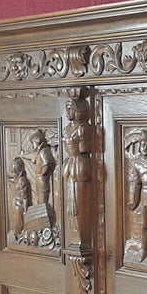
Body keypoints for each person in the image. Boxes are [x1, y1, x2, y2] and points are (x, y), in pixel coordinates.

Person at [125, 129, 147, 260]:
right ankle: (144, 248)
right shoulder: (137, 162)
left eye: (145, 143)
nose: (143, 146)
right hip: (144, 194)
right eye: (141, 144)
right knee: (144, 225)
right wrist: (134, 202)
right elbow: (137, 184)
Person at [62, 97, 92, 240]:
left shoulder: (83, 128)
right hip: (70, 164)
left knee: (80, 201)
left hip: (80, 164)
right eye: (67, 109)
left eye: (70, 109)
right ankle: (74, 234)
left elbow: (83, 148)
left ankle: (82, 236)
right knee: (70, 200)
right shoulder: (66, 128)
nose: (68, 112)